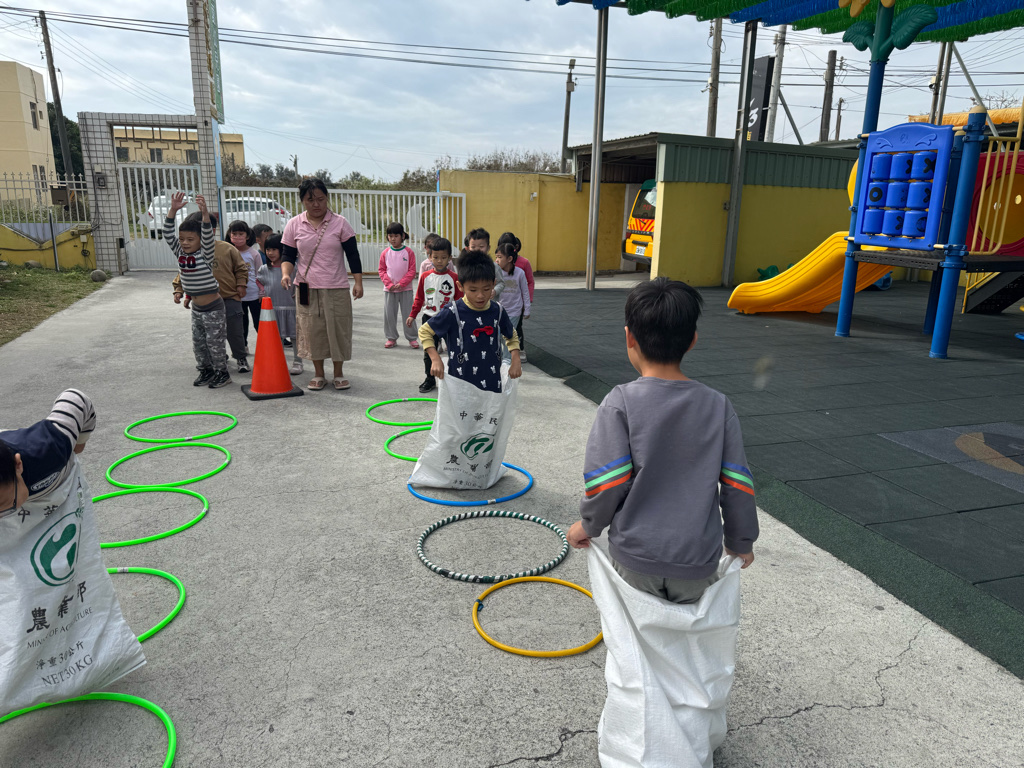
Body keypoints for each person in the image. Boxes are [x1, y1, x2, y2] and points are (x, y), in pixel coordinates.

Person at [566, 277, 758, 595]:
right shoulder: (718, 405)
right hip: (697, 560)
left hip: (635, 556)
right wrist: (740, 541)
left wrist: (588, 525)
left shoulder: (620, 402)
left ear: (629, 337)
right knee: (691, 629)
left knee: (633, 627)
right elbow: (737, 483)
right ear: (692, 340)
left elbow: (608, 480)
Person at [280, 178, 364, 392]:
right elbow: (288, 255)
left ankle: (338, 373)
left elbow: (352, 254)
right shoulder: (294, 224)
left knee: (338, 329)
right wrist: (286, 274)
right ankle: (318, 374)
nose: (316, 204)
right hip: (306, 288)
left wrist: (358, 282)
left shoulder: (340, 223)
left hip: (336, 286)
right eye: (310, 200)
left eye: (320, 199)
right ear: (302, 201)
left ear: (327, 198)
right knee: (312, 331)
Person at [418, 249, 522, 394]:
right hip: (460, 383)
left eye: (486, 289)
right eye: (473, 290)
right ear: (460, 286)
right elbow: (425, 331)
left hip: (491, 382)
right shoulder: (452, 311)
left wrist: (515, 359)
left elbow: (511, 334)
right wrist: (435, 358)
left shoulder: (497, 310)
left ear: (494, 283)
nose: (480, 296)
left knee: (488, 409)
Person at [165, 192, 231, 388]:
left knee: (215, 343)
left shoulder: (206, 253)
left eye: (190, 239)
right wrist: (173, 210)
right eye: (182, 239)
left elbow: (208, 234)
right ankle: (206, 370)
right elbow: (167, 233)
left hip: (213, 307)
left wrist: (204, 213)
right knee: (199, 344)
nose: (185, 242)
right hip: (197, 309)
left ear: (200, 241)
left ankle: (222, 373)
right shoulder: (180, 252)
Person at [171, 211, 251, 373]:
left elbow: (241, 268)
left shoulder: (227, 248)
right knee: (209, 335)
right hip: (204, 302)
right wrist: (180, 291)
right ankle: (217, 359)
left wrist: (241, 285)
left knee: (235, 331)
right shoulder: (189, 253)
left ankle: (240, 357)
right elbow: (184, 273)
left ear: (211, 231)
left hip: (229, 298)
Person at [0, 389, 95, 518]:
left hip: (55, 482)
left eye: (7, 503)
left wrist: (77, 444)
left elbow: (76, 399)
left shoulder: (50, 448)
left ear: (18, 465)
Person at [406, 237, 461, 393]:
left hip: (449, 319)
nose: (439, 261)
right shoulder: (425, 277)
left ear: (450, 258)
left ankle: (454, 379)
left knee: (454, 350)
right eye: (435, 257)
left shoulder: (454, 278)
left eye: (443, 257)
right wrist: (412, 314)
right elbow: (419, 298)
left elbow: (459, 300)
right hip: (429, 319)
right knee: (428, 351)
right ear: (429, 257)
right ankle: (430, 379)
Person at [257, 234, 303, 375]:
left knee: (295, 336)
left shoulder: (294, 269)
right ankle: (278, 362)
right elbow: (258, 281)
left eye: (274, 249)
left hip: (291, 308)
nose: (270, 253)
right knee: (276, 338)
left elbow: (302, 281)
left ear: (282, 250)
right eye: (268, 249)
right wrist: (262, 292)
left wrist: (299, 292)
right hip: (273, 310)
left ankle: (298, 362)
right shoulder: (264, 269)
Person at [378, 221, 419, 349]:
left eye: (396, 236)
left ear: (402, 236)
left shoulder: (409, 252)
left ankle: (412, 338)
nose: (393, 239)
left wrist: (402, 283)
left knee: (408, 314)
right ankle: (391, 338)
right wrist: (389, 284)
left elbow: (412, 270)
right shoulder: (385, 253)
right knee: (389, 315)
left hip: (406, 289)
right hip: (389, 290)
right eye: (390, 236)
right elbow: (382, 270)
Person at [496, 232, 533, 362]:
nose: (496, 260)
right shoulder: (496, 272)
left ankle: (507, 360)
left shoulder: (520, 273)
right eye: (496, 257)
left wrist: (527, 309)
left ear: (510, 259)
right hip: (499, 310)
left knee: (509, 335)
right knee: (498, 335)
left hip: (514, 311)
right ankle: (501, 356)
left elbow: (525, 291)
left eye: (499, 257)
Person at [228, 220, 263, 350]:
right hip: (237, 295)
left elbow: (260, 274)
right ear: (230, 235)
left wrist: (262, 292)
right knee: (241, 324)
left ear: (247, 236)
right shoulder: (228, 252)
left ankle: (265, 345)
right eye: (234, 234)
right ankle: (243, 346)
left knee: (259, 322)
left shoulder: (254, 254)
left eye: (241, 234)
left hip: (254, 294)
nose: (237, 237)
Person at [465, 227, 505, 301]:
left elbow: (501, 283)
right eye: (473, 247)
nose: (477, 249)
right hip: (472, 304)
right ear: (468, 249)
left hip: (490, 303)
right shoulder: (466, 266)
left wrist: (495, 291)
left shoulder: (494, 267)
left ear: (488, 248)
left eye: (481, 247)